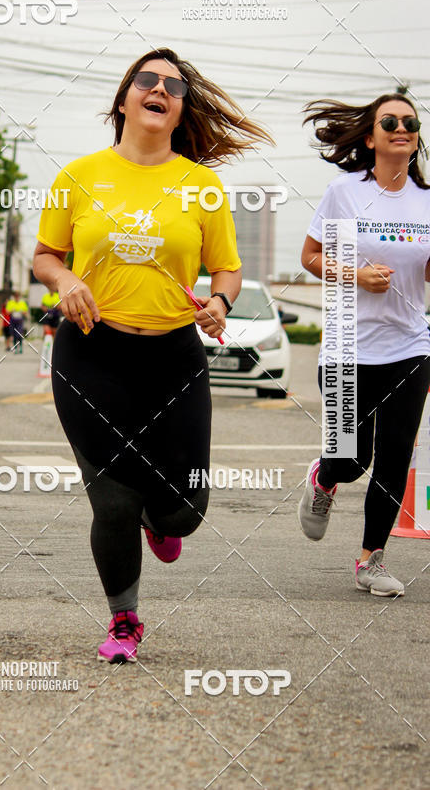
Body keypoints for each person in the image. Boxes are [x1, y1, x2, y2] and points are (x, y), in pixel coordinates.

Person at [33, 47, 272, 663]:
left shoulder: (202, 186)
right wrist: (65, 279)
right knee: (112, 499)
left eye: (174, 86)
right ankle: (124, 620)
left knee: (184, 511)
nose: (160, 89)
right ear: (124, 98)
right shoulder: (78, 176)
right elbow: (45, 256)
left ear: (180, 111)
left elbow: (227, 268)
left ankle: (161, 521)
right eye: (148, 80)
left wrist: (220, 300)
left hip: (173, 359)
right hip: (90, 354)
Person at [298, 94, 430, 597]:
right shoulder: (346, 192)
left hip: (409, 345)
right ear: (371, 137)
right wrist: (355, 275)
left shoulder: (426, 200)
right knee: (352, 461)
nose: (402, 127)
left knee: (394, 459)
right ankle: (324, 477)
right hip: (347, 347)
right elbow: (311, 257)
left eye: (410, 121)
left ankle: (370, 561)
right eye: (389, 121)